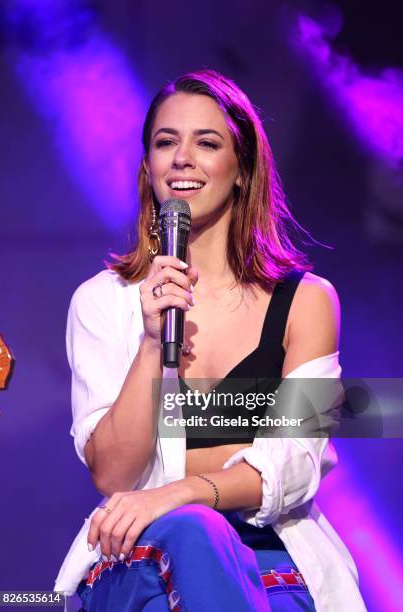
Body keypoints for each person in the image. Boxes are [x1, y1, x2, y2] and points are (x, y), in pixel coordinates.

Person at [55, 70, 366, 611]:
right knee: (191, 532)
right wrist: (153, 345)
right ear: (148, 167)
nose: (182, 158)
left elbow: (297, 460)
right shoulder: (101, 301)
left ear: (242, 169)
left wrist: (182, 492)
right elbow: (113, 472)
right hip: (142, 557)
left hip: (273, 560)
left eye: (207, 142)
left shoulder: (308, 301)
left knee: (201, 529)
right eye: (165, 142)